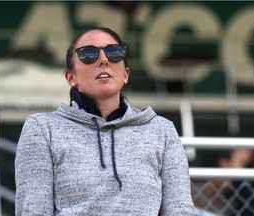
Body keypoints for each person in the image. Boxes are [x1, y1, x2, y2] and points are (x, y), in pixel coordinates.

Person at [15, 27, 194, 215]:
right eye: (88, 54)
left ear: (126, 74)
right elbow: (33, 211)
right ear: (70, 77)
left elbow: (179, 209)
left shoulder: (162, 130)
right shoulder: (43, 129)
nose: (103, 60)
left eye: (114, 53)